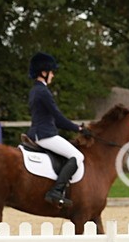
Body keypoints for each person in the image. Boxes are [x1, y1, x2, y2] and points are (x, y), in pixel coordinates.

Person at [27, 52, 85, 208]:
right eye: (51, 72)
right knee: (77, 156)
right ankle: (56, 191)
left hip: (37, 132)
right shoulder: (43, 91)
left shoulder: (34, 90)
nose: (53, 75)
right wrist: (78, 128)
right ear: (43, 72)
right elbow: (58, 118)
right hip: (46, 135)